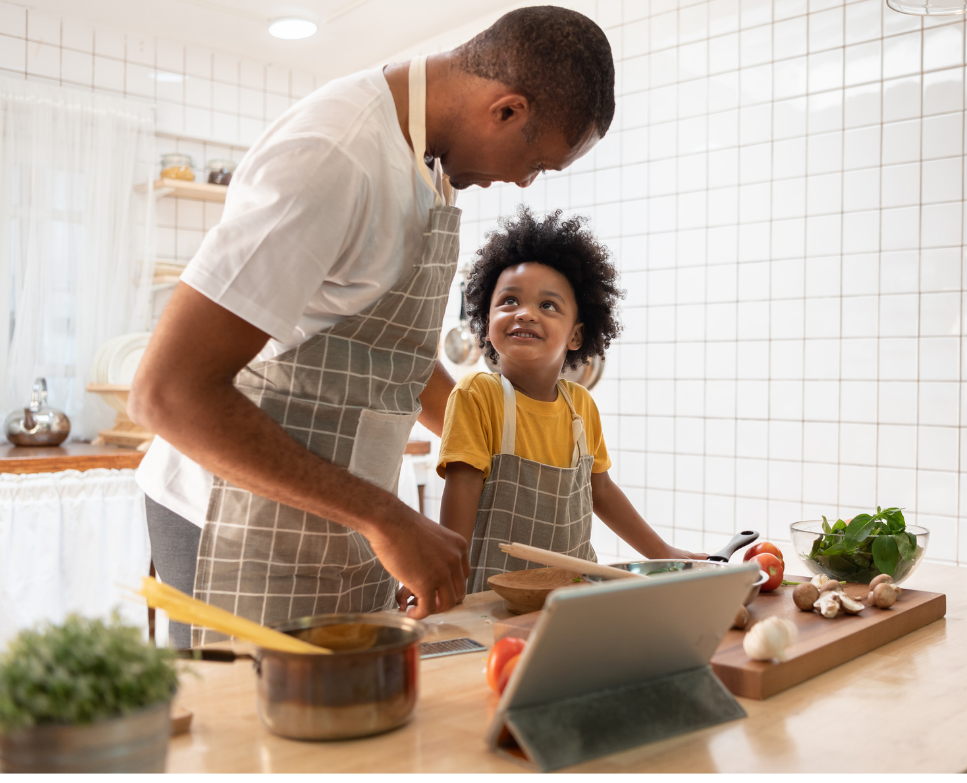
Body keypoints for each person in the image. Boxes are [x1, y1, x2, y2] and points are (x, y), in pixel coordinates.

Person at [128, 7, 615, 647]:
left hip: (334, 519)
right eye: (539, 165)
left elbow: (387, 358)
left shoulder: (428, 164)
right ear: (506, 111)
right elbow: (167, 393)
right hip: (230, 517)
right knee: (250, 736)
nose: (523, 183)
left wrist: (519, 441)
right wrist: (385, 517)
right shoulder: (335, 154)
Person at [402, 207, 700, 600]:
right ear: (486, 320)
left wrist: (663, 555)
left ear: (577, 335)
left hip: (572, 599)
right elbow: (458, 510)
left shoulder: (580, 406)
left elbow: (602, 490)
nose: (524, 313)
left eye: (548, 306)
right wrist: (444, 584)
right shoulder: (477, 395)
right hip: (492, 602)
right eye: (509, 301)